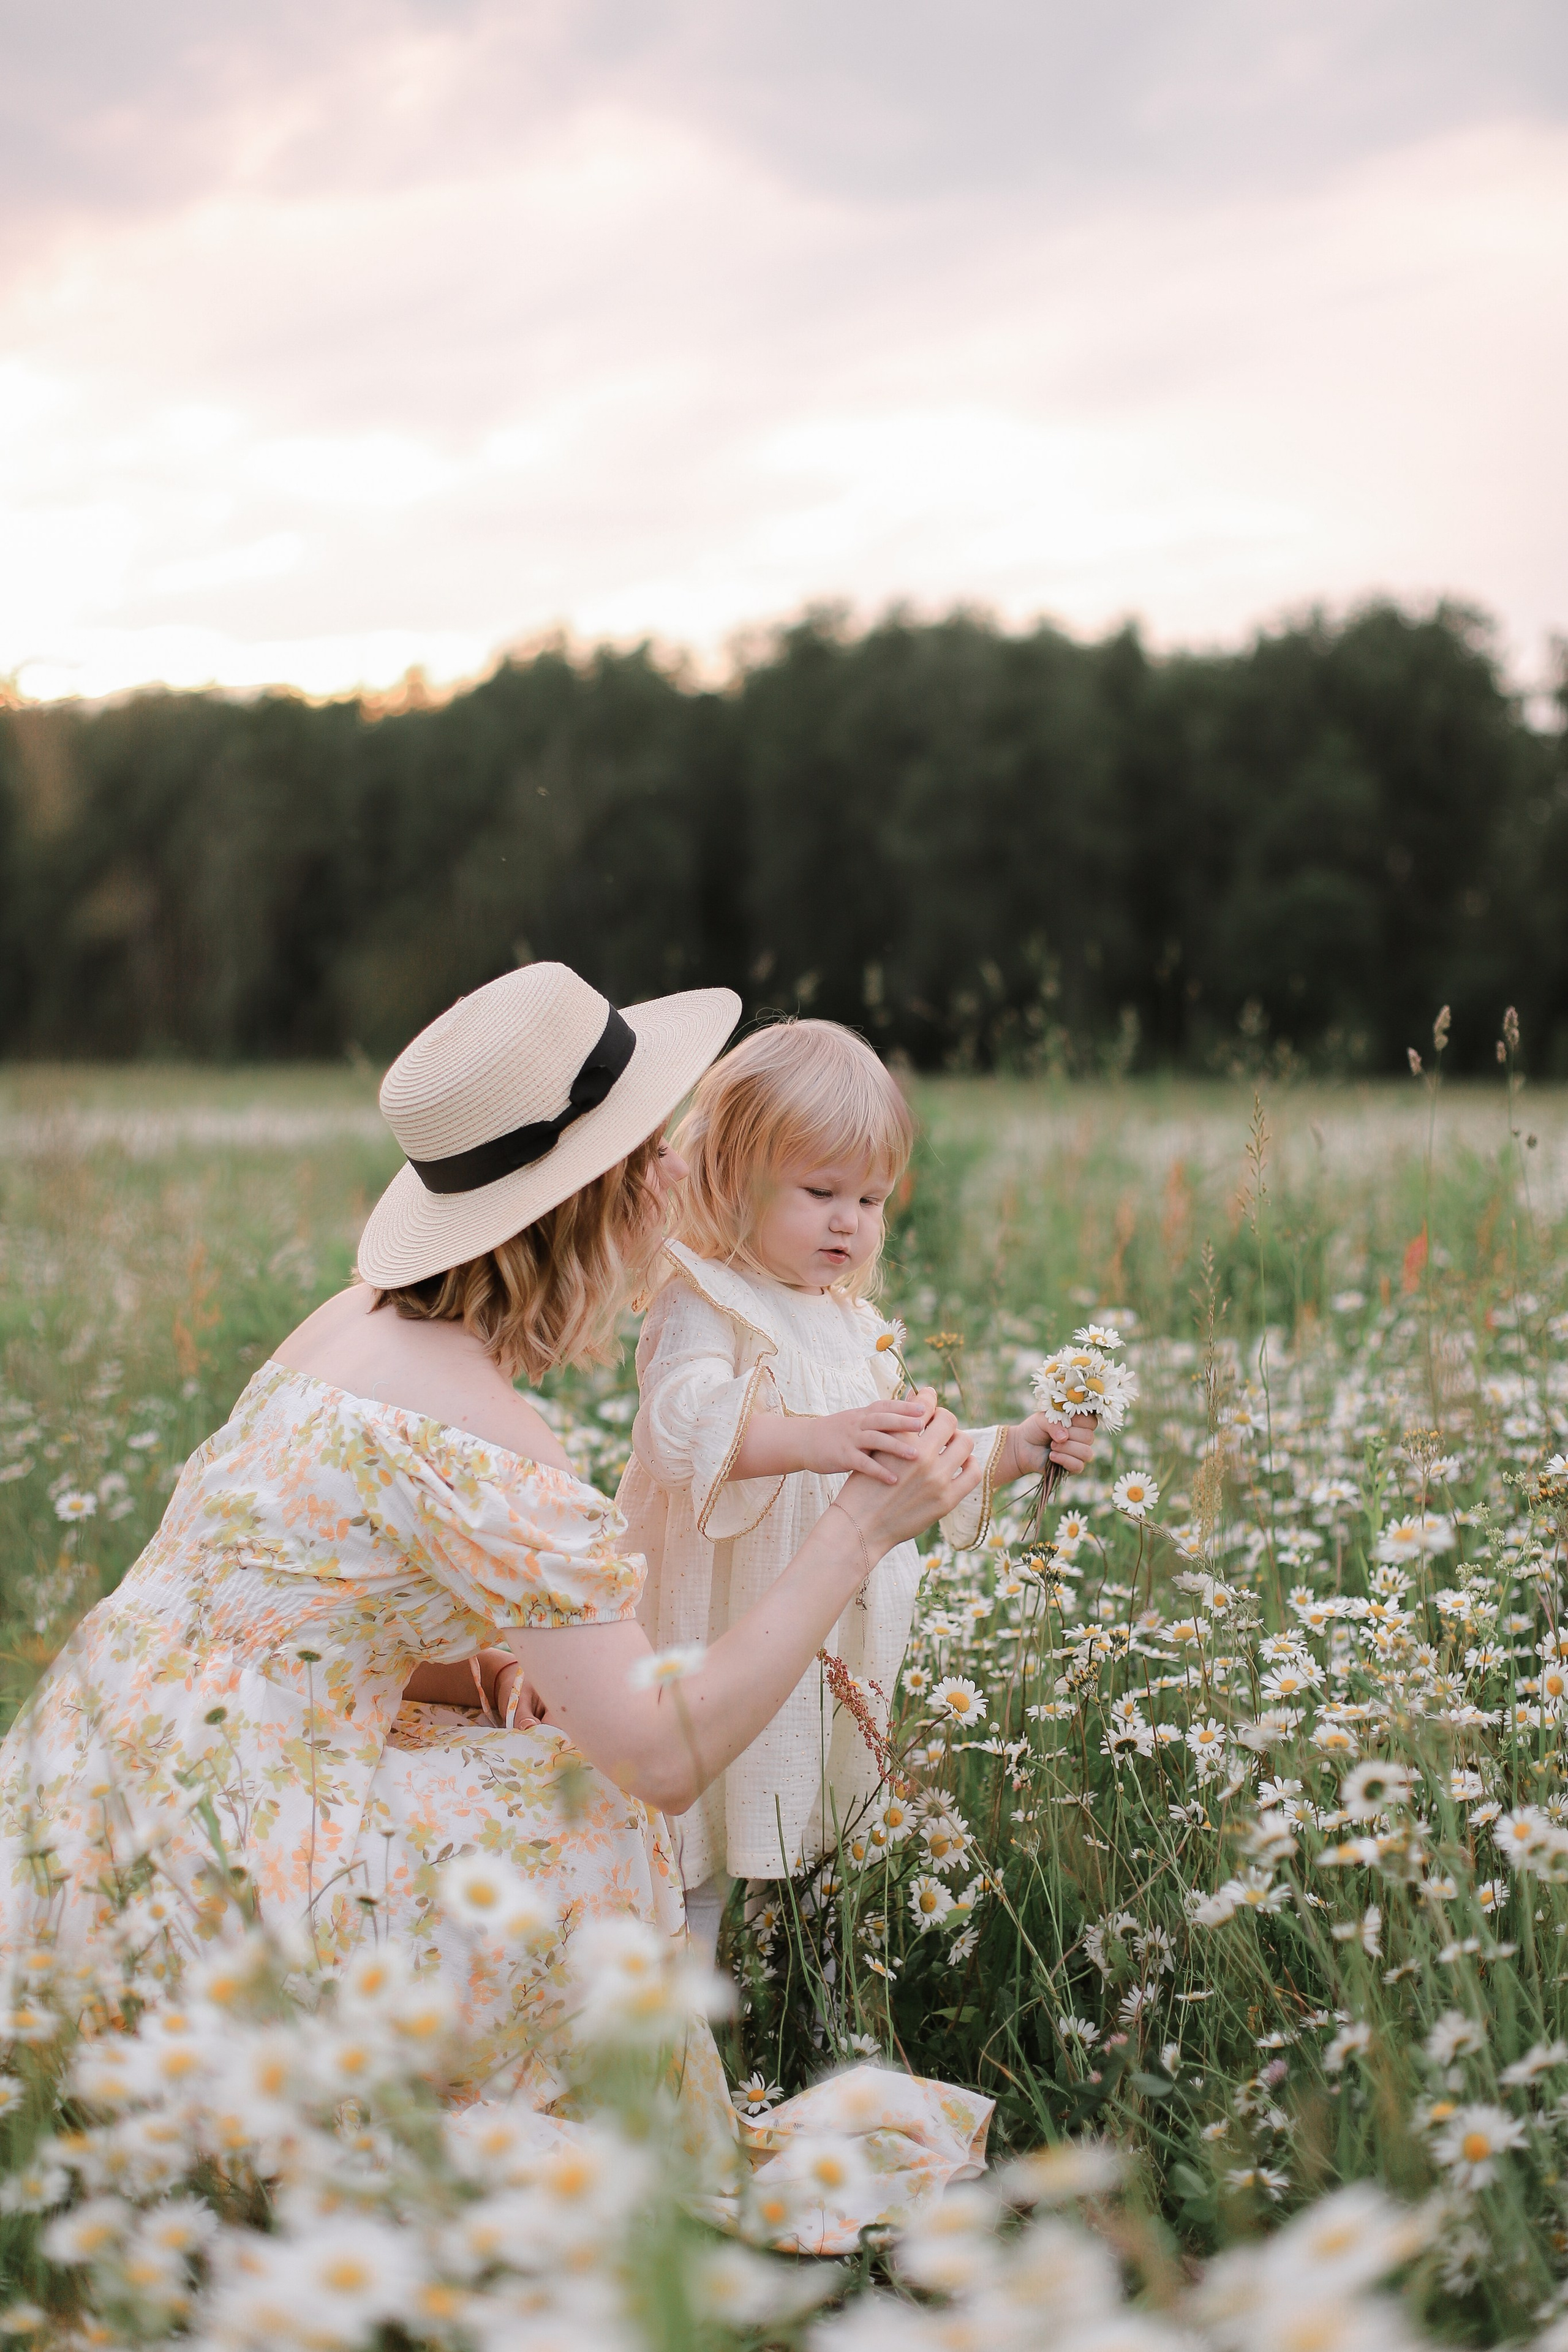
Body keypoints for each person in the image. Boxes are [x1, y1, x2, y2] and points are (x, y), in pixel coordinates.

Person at [0, 963, 992, 2250]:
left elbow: (271, 1628)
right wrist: (856, 1529)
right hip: (227, 1886)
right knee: (589, 1812)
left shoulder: (338, 1331)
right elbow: (665, 1754)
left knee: (524, 1736)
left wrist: (469, 1679)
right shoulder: (491, 1443)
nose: (675, 1171)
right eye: (652, 1149)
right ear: (603, 1196)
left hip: (78, 1827)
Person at [619, 1020, 1096, 1954]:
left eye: (872, 1198)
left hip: (821, 1639)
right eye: (820, 1191)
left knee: (804, 1831)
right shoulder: (704, 1296)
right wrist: (817, 1438)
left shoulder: (851, 1323)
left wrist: (1015, 1447)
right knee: (700, 1842)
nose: (851, 1220)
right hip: (723, 1627)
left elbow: (903, 1461)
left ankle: (796, 2003)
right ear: (731, 1179)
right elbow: (679, 1431)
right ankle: (682, 2025)